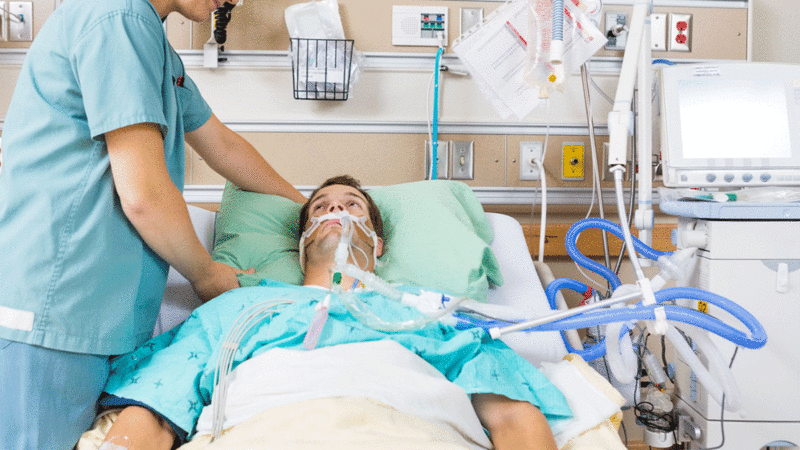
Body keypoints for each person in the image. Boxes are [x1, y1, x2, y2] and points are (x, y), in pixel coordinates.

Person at [0, 0, 305, 449]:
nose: (232, 1)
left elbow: (222, 146)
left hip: (98, 316)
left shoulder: (151, 42)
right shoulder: (116, 18)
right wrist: (207, 274)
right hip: (55, 308)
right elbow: (143, 194)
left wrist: (308, 209)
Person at [93, 175, 570, 450]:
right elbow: (155, 411)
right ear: (302, 245)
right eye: (320, 207)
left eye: (351, 205)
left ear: (377, 246)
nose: (335, 210)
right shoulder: (237, 310)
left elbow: (513, 417)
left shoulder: (428, 313)